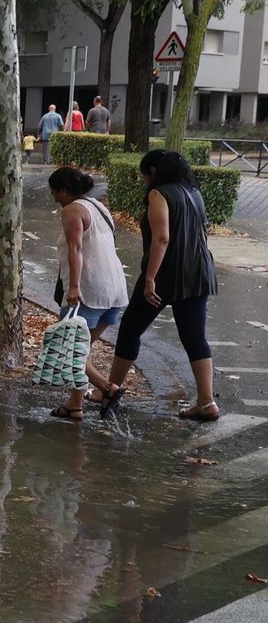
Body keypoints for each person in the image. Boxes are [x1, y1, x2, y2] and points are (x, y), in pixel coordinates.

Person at [101, 150, 220, 421]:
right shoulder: (194, 192)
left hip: (167, 273)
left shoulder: (159, 194)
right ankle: (206, 402)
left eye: (144, 174)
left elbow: (162, 238)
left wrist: (151, 278)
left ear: (153, 171)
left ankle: (109, 390)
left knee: (131, 328)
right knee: (194, 337)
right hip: (198, 272)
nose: (143, 180)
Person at [47, 167, 129, 420]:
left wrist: (74, 286)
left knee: (69, 348)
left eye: (54, 192)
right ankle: (75, 404)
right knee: (82, 348)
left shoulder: (72, 210)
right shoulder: (98, 206)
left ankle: (107, 389)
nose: (53, 197)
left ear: (63, 190)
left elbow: (76, 249)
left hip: (89, 289)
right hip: (114, 288)